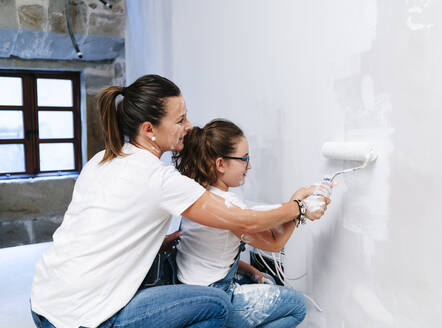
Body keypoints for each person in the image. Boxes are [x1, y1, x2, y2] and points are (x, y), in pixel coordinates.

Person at [30, 74, 329, 328]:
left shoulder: (102, 159)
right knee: (216, 304)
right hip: (86, 318)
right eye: (180, 119)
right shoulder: (159, 179)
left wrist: (162, 241)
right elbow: (246, 221)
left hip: (44, 301)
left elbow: (96, 231)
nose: (189, 125)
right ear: (149, 129)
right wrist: (299, 207)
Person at [173, 119, 331, 328]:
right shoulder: (228, 206)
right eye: (244, 159)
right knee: (297, 305)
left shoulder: (200, 196)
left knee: (267, 280)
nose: (250, 166)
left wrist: (248, 270)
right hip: (212, 299)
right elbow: (274, 243)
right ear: (220, 164)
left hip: (187, 288)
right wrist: (300, 207)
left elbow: (209, 255)